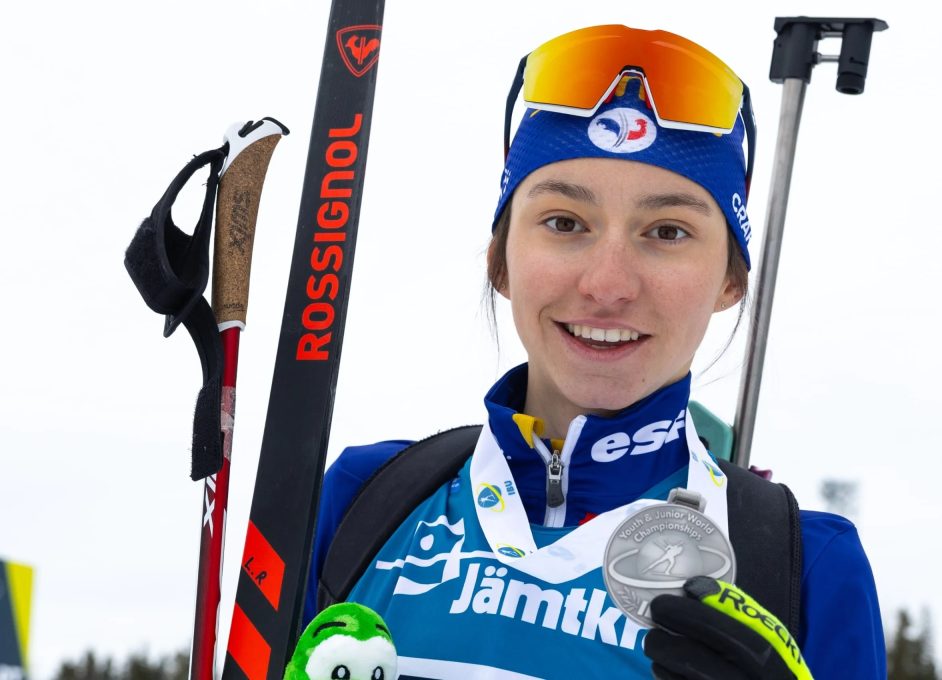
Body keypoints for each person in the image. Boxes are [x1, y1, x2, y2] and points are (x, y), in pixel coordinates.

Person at [304, 24, 885, 679]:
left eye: (667, 231)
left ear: (730, 279)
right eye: (565, 223)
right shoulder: (364, 502)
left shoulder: (804, 568)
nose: (608, 284)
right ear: (500, 261)